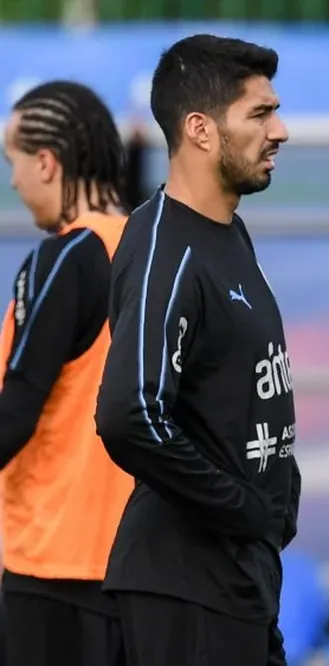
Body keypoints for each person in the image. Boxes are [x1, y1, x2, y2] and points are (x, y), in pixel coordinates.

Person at [95, 34, 300, 666]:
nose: (280, 131)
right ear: (200, 130)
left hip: (238, 580)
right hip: (185, 587)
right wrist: (241, 508)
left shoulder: (228, 233)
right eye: (260, 114)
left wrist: (278, 500)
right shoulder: (163, 248)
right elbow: (129, 414)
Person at [0, 80, 134, 666]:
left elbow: (15, 411)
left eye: (13, 161)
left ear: (47, 163)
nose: (13, 182)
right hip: (135, 564)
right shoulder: (149, 247)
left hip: (53, 561)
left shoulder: (63, 259)